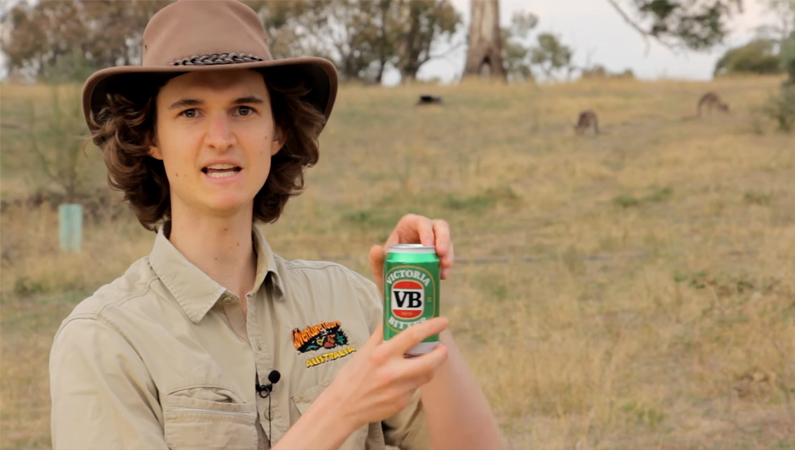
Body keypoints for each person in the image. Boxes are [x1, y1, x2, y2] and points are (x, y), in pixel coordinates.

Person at [49, 1, 504, 449]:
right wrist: (341, 407)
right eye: (190, 112)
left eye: (244, 109)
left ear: (277, 131)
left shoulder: (349, 301)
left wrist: (415, 307)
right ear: (150, 137)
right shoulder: (103, 338)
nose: (221, 138)